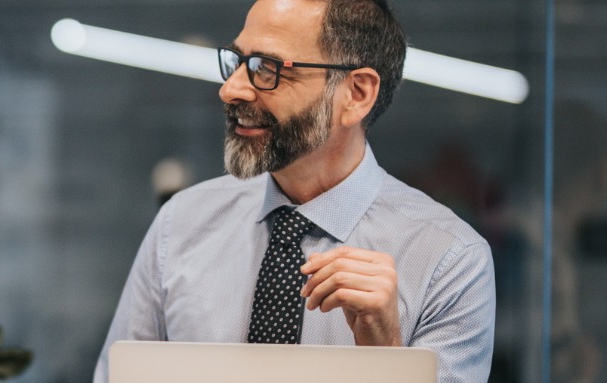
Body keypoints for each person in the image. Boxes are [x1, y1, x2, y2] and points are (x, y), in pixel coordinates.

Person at [93, 0, 496, 382]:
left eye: (266, 68)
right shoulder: (180, 225)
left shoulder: (449, 261)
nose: (231, 89)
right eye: (236, 62)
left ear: (356, 94)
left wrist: (385, 355)